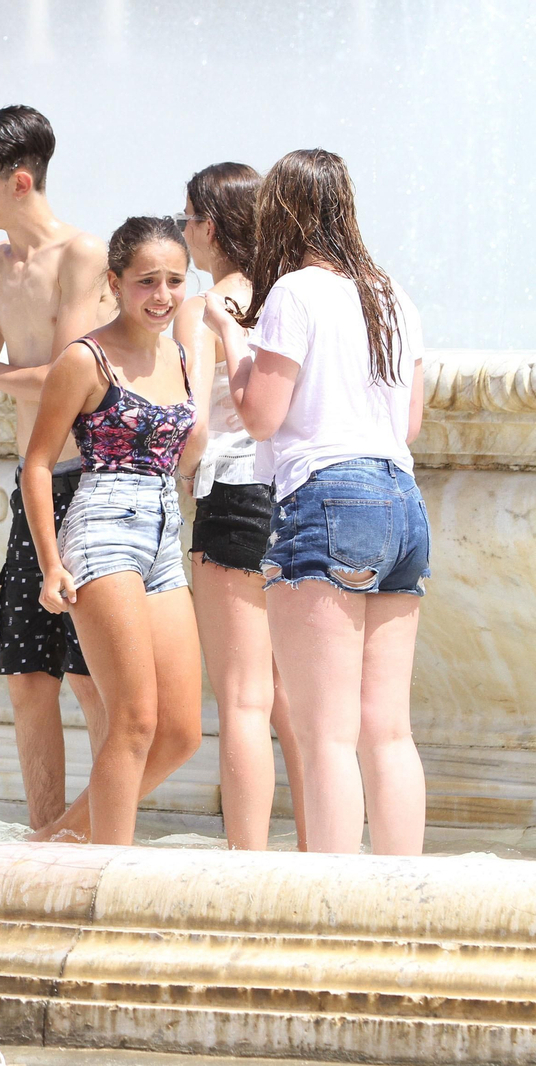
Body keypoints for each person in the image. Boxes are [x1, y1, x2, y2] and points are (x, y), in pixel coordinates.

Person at [202, 148, 428, 856]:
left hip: (327, 497)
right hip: (400, 499)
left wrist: (230, 338)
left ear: (282, 212)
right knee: (386, 729)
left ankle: (327, 917)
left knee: (323, 730)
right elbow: (410, 422)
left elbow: (261, 414)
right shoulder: (391, 296)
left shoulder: (296, 293)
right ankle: (407, 903)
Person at [0, 105, 113, 831]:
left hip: (93, 486)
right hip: (32, 485)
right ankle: (45, 834)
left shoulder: (84, 255)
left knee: (90, 680)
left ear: (17, 179)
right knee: (28, 677)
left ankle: (105, 832)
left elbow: (74, 375)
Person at [21, 216, 203, 847]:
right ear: (115, 282)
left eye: (175, 281)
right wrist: (50, 564)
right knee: (132, 720)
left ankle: (56, 838)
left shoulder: (180, 355)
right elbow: (39, 464)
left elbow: (191, 452)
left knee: (180, 732)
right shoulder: (84, 358)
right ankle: (109, 877)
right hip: (102, 528)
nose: (162, 295)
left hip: (163, 538)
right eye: (146, 281)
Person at [172, 164, 307, 851]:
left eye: (187, 219)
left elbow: (195, 428)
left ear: (212, 227)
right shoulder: (290, 296)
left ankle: (245, 867)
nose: (182, 233)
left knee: (244, 699)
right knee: (293, 703)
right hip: (293, 496)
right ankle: (322, 854)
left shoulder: (204, 308)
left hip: (230, 492)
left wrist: (173, 472)